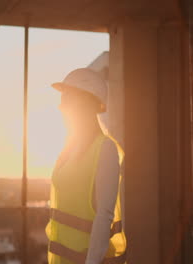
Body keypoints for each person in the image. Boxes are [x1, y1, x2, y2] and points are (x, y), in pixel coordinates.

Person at [45, 68, 127, 264]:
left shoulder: (105, 149)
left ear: (86, 102)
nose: (61, 106)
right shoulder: (68, 148)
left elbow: (104, 216)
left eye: (67, 99)